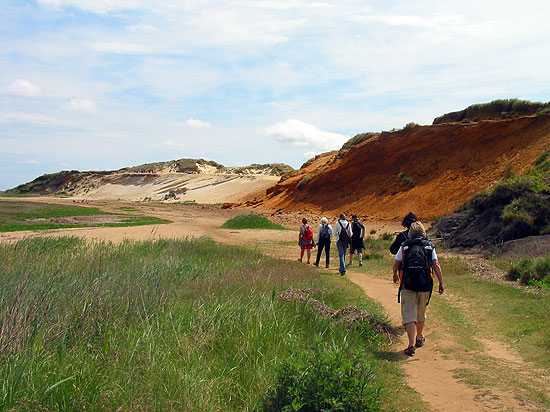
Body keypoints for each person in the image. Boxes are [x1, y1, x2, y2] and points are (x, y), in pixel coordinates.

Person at [393, 221, 444, 356]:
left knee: (409, 314)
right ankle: (419, 338)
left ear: (410, 233)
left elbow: (396, 263)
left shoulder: (405, 246)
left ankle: (410, 345)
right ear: (423, 232)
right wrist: (441, 282)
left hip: (407, 283)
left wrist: (395, 275)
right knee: (421, 312)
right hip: (425, 284)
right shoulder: (429, 246)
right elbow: (436, 265)